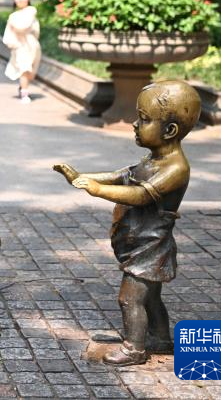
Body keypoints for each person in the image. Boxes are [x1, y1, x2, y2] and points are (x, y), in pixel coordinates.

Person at [53, 81, 201, 366]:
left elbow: (141, 195)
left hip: (150, 248)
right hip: (140, 244)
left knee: (130, 298)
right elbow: (123, 175)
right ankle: (160, 338)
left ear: (169, 130)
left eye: (143, 119)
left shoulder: (175, 168)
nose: (135, 124)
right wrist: (83, 177)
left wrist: (98, 190)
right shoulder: (153, 159)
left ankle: (134, 349)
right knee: (151, 298)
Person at [2, 0, 40, 103]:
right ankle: (24, 93)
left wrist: (13, 24)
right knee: (24, 68)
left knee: (29, 71)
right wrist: (12, 43)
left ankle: (23, 87)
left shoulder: (31, 11)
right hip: (20, 47)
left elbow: (23, 26)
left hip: (31, 46)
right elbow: (8, 33)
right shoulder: (13, 16)